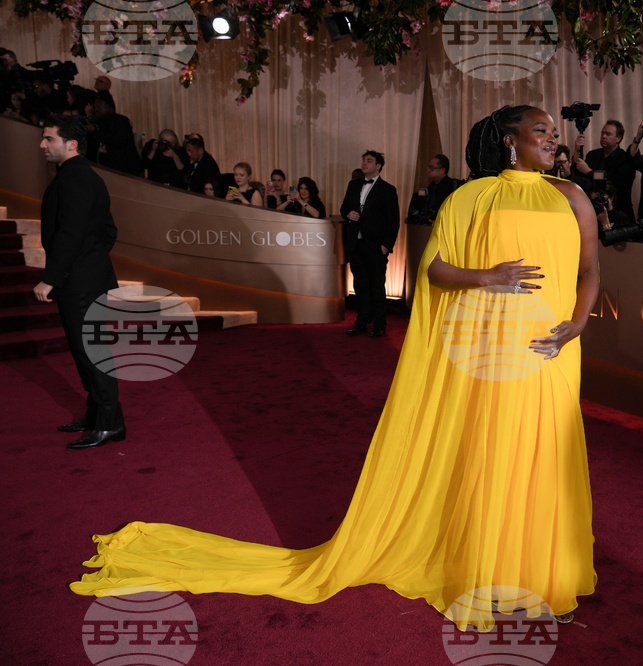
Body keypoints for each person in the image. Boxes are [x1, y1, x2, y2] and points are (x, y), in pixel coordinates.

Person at [70, 105, 598, 631]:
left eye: (554, 133)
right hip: (488, 351)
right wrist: (488, 276)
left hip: (551, 351)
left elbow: (591, 270)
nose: (552, 139)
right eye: (541, 131)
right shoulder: (471, 197)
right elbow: (434, 268)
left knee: (547, 456)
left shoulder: (572, 195)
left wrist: (577, 324)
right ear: (509, 140)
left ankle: (549, 577)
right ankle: (493, 574)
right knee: (494, 456)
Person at [34, 116, 125, 450]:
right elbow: (108, 231)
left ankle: (111, 424)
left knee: (92, 352)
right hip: (84, 278)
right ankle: (96, 414)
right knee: (84, 350)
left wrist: (50, 278)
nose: (42, 145)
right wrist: (91, 261)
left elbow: (70, 234)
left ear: (71, 144)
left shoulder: (75, 178)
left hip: (81, 281)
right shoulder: (80, 176)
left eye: (49, 139)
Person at [339, 150, 400, 338]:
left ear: (378, 166)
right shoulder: (353, 185)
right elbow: (344, 208)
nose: (364, 163)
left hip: (375, 246)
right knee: (360, 286)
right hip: (355, 244)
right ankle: (362, 323)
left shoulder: (387, 190)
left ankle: (379, 325)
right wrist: (348, 214)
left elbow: (394, 221)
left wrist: (386, 246)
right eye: (363, 160)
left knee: (377, 286)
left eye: (369, 161)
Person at [572, 119, 636, 222]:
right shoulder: (592, 155)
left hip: (618, 214)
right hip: (593, 213)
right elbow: (578, 179)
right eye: (602, 133)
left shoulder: (625, 159)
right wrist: (577, 151)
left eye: (608, 134)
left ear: (618, 138)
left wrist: (589, 172)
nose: (604, 136)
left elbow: (614, 183)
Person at [88, 91, 141, 175]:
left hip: (123, 168)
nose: (96, 110)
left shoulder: (121, 121)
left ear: (109, 106)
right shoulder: (98, 122)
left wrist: (95, 132)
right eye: (95, 107)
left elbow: (118, 140)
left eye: (99, 106)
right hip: (104, 168)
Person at [406, 154, 461, 225]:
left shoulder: (453, 186)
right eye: (428, 167)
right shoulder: (431, 186)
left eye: (432, 168)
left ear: (442, 170)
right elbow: (419, 198)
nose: (428, 170)